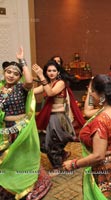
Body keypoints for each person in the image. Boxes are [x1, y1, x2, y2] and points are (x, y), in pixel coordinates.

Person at [63, 74, 111, 199]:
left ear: (101, 95)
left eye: (92, 92)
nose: (90, 94)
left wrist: (73, 164)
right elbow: (87, 111)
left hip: (104, 169)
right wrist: (91, 90)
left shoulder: (101, 120)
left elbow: (98, 155)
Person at [0, 47, 52, 199]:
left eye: (16, 74)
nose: (11, 75)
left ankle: (24, 182)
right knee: (7, 157)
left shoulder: (21, 88)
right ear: (4, 73)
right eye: (9, 72)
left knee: (21, 156)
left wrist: (22, 61)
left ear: (19, 77)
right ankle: (9, 182)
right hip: (4, 129)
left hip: (20, 129)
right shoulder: (1, 88)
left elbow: (29, 80)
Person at [33, 60, 85, 174]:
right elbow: (33, 92)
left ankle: (57, 167)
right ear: (46, 72)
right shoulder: (47, 83)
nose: (51, 73)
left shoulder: (60, 83)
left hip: (58, 118)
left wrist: (41, 76)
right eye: (49, 71)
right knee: (44, 143)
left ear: (58, 72)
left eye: (54, 70)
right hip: (48, 118)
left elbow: (50, 93)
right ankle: (62, 154)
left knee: (53, 143)